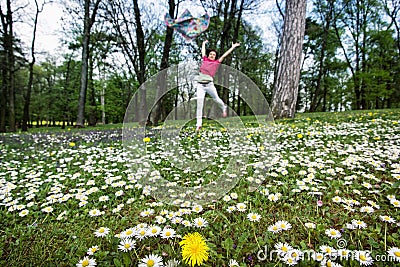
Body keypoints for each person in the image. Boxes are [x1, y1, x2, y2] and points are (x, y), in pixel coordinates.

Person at [195, 40, 240, 131]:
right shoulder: (204, 59)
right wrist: (203, 43)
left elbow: (224, 55)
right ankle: (198, 124)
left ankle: (224, 107)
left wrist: (233, 47)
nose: (212, 55)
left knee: (216, 98)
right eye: (211, 54)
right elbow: (203, 51)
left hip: (209, 85)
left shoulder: (216, 63)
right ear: (208, 55)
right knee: (199, 104)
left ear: (215, 57)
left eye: (214, 55)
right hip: (200, 86)